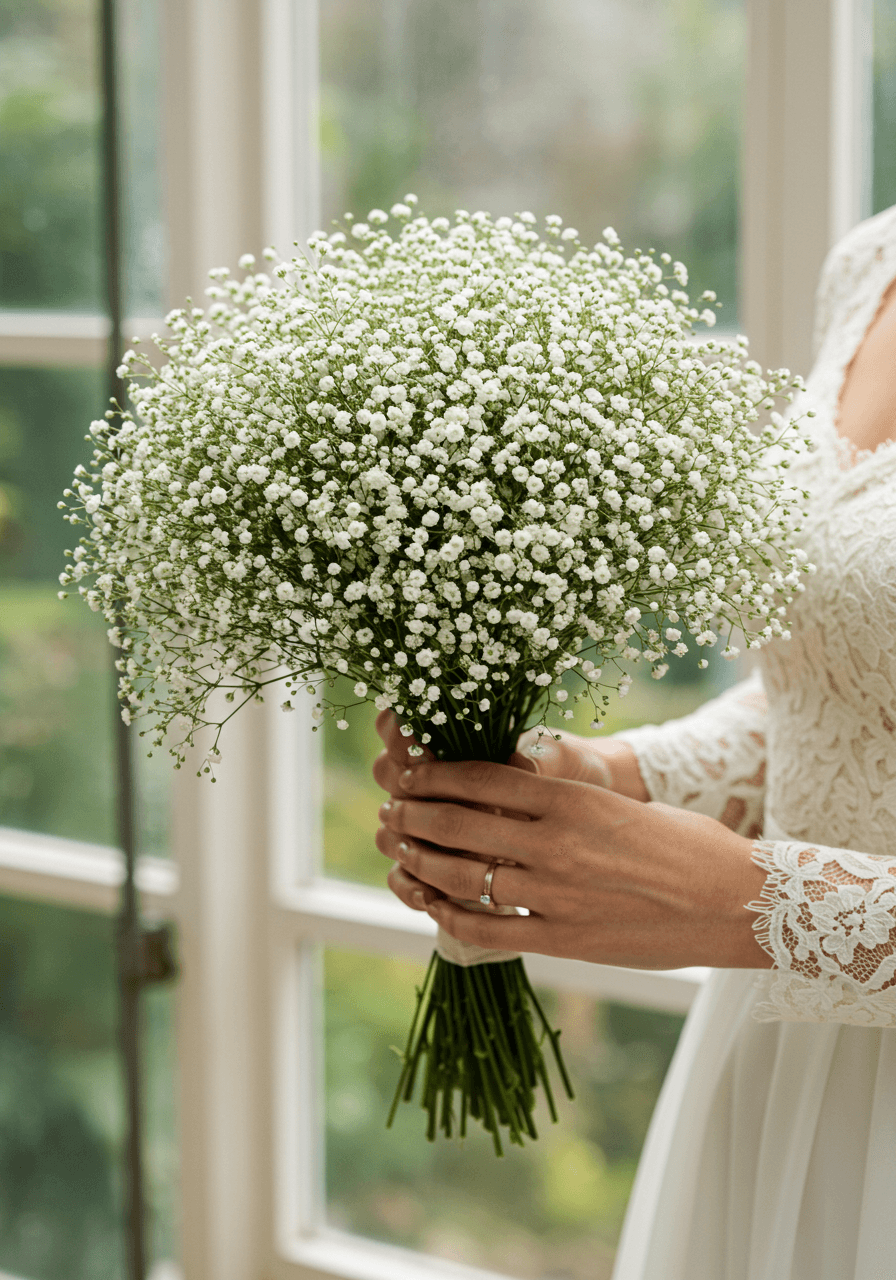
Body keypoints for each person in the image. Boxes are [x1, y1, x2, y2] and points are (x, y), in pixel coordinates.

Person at [372, 203, 896, 1280]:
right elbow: (841, 683)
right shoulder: (873, 258)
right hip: (788, 1058)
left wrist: (759, 901)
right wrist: (606, 777)